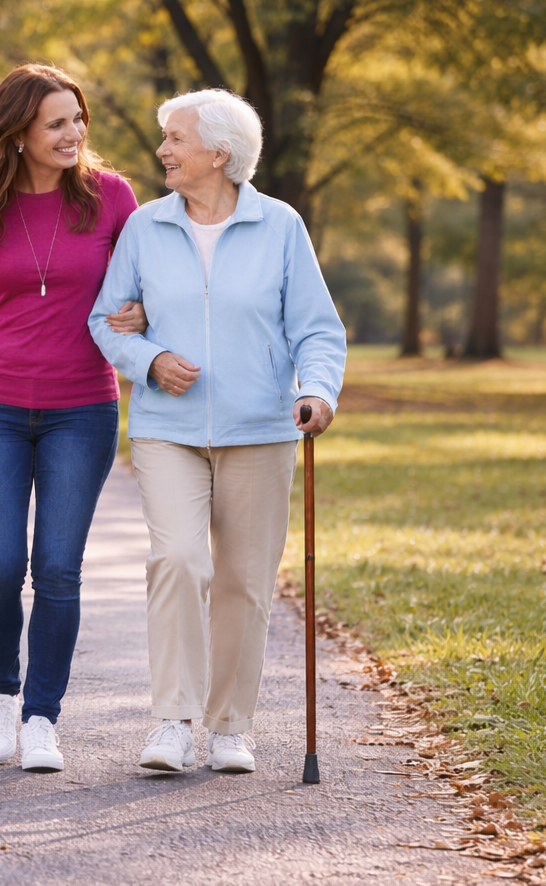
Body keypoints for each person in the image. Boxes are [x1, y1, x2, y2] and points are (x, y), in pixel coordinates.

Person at [87, 88, 347, 774]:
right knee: (179, 559)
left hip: (260, 428)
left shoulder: (281, 225)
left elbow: (317, 329)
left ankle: (230, 725)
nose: (162, 150)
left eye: (174, 138)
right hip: (166, 428)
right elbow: (103, 320)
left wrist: (318, 391)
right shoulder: (145, 227)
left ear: (219, 154)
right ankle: (172, 720)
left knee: (244, 579)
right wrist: (148, 360)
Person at [0, 63, 145, 774]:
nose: (74, 133)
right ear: (17, 133)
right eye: (57, 123)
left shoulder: (112, 199)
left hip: (83, 406)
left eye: (78, 119)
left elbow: (149, 286)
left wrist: (143, 313)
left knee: (57, 568)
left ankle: (42, 716)